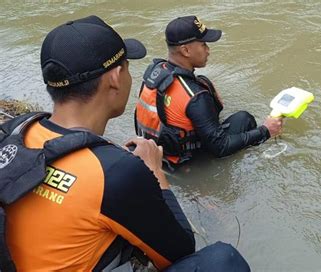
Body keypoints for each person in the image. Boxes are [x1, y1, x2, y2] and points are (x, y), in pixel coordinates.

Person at [4, 15, 249, 271]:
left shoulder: (17, 129)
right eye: (127, 66)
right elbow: (181, 249)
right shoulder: (113, 172)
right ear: (115, 77)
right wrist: (154, 172)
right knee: (223, 260)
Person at [135, 15, 283, 166]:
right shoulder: (195, 96)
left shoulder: (155, 72)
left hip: (156, 154)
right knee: (244, 119)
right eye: (204, 44)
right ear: (186, 50)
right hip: (184, 163)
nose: (208, 50)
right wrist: (266, 130)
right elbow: (221, 147)